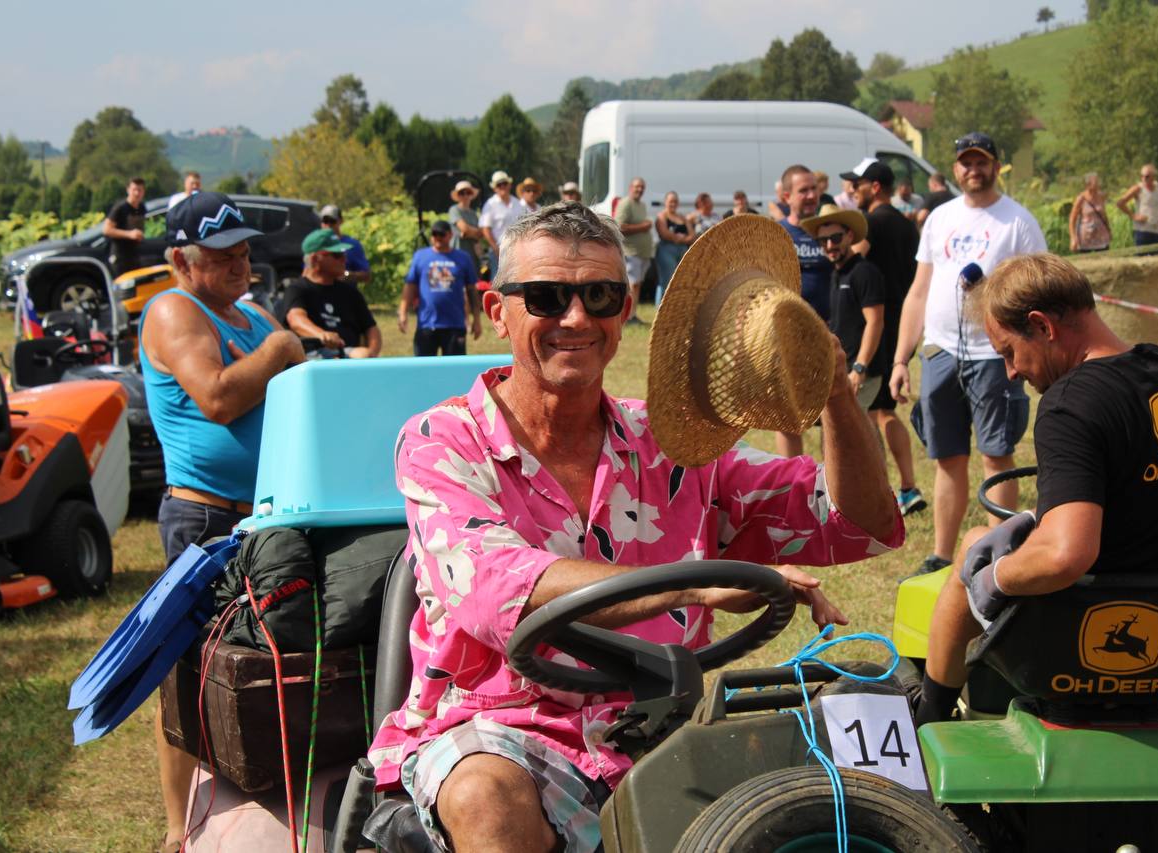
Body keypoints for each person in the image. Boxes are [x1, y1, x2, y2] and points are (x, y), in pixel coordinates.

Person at [366, 202, 903, 852]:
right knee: (486, 794)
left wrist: (836, 390)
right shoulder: (443, 441)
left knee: (839, 775)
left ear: (624, 310)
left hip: (655, 723)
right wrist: (692, 587)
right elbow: (496, 592)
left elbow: (859, 524)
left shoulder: (668, 443)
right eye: (545, 297)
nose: (575, 318)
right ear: (495, 308)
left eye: (599, 295)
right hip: (495, 723)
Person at [913, 253, 1158, 726]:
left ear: (1042, 325)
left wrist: (994, 578)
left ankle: (927, 723)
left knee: (973, 551)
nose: (1011, 371)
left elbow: (1066, 555)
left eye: (1009, 351)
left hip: (1091, 622)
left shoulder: (1069, 404)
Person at [139, 191, 306, 853]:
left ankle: (249, 795)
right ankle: (178, 829)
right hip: (203, 518)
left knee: (256, 660)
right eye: (223, 252)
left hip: (264, 517)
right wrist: (284, 347)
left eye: (243, 247)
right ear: (180, 257)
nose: (241, 260)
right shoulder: (175, 310)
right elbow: (215, 396)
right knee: (187, 670)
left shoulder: (249, 313)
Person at [891, 131, 1046, 577]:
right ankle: (941, 556)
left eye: (981, 162)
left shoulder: (1018, 222)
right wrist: (902, 359)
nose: (972, 169)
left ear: (996, 166)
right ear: (955, 168)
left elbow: (1039, 289)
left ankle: (1002, 557)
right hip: (940, 352)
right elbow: (918, 291)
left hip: (995, 356)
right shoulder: (939, 218)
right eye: (965, 162)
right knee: (947, 458)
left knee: (996, 455)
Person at [844, 160, 926, 517]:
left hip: (877, 327)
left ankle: (897, 489)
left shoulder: (871, 225)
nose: (852, 191)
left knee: (876, 412)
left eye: (857, 184)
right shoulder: (907, 226)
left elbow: (850, 257)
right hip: (902, 323)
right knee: (883, 409)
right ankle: (906, 487)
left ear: (875, 187)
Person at [775, 164, 835, 457]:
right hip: (788, 341)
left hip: (829, 336)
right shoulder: (778, 234)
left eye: (814, 188)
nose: (812, 195)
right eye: (804, 190)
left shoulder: (830, 230)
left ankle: (834, 485)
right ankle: (794, 485)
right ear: (787, 196)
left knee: (832, 417)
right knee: (789, 418)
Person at [802, 204, 884, 410]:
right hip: (841, 370)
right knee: (857, 437)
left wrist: (859, 367)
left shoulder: (863, 272)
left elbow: (875, 322)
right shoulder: (837, 273)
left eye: (835, 238)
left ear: (849, 235)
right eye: (822, 240)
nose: (829, 245)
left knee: (847, 437)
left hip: (861, 372)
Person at [279, 229, 381, 357]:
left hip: (351, 358)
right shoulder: (297, 289)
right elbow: (296, 320)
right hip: (314, 358)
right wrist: (322, 335)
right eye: (337, 255)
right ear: (315, 259)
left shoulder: (350, 293)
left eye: (344, 254)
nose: (344, 259)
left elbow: (371, 328)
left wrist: (372, 352)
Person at [398, 219, 482, 356]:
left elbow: (471, 290)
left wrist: (477, 320)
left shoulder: (463, 258)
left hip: (455, 324)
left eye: (441, 234)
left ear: (450, 235)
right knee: (423, 370)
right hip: (427, 323)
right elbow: (410, 285)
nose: (437, 238)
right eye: (434, 234)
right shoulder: (420, 256)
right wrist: (403, 312)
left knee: (454, 370)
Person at [614, 176, 654, 325]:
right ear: (631, 187)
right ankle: (627, 317)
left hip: (642, 252)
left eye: (642, 187)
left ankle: (633, 314)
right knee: (632, 284)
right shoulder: (625, 204)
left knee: (637, 285)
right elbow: (619, 226)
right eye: (637, 186)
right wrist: (643, 227)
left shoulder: (641, 205)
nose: (640, 189)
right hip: (630, 252)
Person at [479, 170, 526, 279]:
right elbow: (485, 228)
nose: (502, 186)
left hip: (517, 249)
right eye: (499, 185)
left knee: (517, 280)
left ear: (509, 185)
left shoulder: (518, 203)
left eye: (504, 183)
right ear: (494, 188)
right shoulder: (490, 204)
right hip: (498, 250)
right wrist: (495, 248)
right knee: (498, 280)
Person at [1116, 164, 1158, 250]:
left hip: (1157, 229)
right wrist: (1133, 216)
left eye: (1147, 176)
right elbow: (1120, 203)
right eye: (1142, 176)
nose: (1144, 179)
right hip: (1143, 230)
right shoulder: (1138, 188)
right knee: (1142, 259)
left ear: (1153, 176)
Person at [654, 191, 693, 305]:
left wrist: (680, 239)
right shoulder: (661, 216)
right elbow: (664, 233)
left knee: (682, 279)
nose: (673, 204)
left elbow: (692, 234)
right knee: (667, 280)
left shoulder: (682, 217)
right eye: (671, 201)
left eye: (675, 201)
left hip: (682, 250)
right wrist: (679, 237)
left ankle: (676, 306)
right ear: (665, 202)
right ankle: (662, 307)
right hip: (666, 250)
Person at [102, 177, 147, 275]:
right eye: (134, 189)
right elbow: (106, 229)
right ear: (128, 190)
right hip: (120, 255)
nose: (137, 193)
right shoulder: (120, 208)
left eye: (140, 190)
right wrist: (129, 234)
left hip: (135, 254)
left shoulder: (142, 207)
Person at [319, 204, 372, 285]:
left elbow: (366, 275)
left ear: (340, 221)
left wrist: (347, 275)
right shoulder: (316, 245)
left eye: (332, 221)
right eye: (325, 221)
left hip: (345, 294)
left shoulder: (352, 245)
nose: (328, 224)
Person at [447, 180, 485, 272]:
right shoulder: (454, 210)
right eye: (461, 193)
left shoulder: (474, 214)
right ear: (458, 196)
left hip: (473, 254)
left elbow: (480, 234)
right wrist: (472, 233)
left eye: (468, 192)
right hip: (458, 251)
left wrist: (467, 234)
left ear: (471, 195)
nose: (465, 195)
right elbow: (464, 228)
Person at [1068, 173, 1111, 254]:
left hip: (1101, 235)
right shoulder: (1081, 199)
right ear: (1088, 185)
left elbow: (1104, 215)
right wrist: (1073, 238)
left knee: (1104, 259)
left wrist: (1108, 229)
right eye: (1095, 182)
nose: (1097, 184)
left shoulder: (1101, 196)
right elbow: (1072, 219)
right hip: (1086, 237)